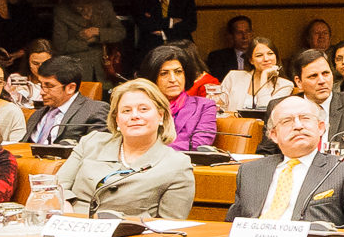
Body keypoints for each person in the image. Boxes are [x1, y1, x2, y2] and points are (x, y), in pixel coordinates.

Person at [229, 96, 344, 230]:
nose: (298, 126)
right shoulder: (250, 171)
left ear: (321, 128)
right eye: (287, 121)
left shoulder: (342, 168)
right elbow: (231, 224)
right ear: (274, 135)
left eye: (305, 118)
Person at [56, 79, 194, 218]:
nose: (134, 116)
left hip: (129, 236)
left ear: (160, 116)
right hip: (70, 228)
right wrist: (68, 214)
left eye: (143, 109)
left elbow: (169, 226)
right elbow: (55, 187)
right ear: (116, 119)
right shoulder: (91, 143)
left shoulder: (177, 165)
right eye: (126, 110)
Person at [272, 47, 344, 157]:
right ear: (299, 82)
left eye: (326, 73)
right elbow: (267, 154)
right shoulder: (280, 108)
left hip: (343, 175)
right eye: (313, 76)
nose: (322, 81)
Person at [142, 45, 218, 151]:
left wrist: (155, 150)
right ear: (152, 78)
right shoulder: (141, 107)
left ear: (185, 75)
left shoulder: (204, 106)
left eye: (178, 72)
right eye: (164, 73)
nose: (173, 79)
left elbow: (199, 145)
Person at [24, 56, 107, 146]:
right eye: (41, 85)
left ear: (70, 88)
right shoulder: (37, 115)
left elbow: (97, 148)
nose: (41, 92)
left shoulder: (95, 110)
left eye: (49, 86)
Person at [51, 0, 125, 66]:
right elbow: (60, 46)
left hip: (105, 66)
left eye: (88, 6)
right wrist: (86, 42)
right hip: (77, 65)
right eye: (80, 7)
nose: (85, 10)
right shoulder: (62, 12)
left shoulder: (105, 7)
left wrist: (97, 32)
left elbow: (121, 33)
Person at [217, 36, 291, 117]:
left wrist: (264, 77)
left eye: (270, 54)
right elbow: (219, 108)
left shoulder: (285, 85)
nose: (266, 59)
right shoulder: (233, 77)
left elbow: (267, 113)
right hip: (232, 126)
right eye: (259, 55)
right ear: (251, 60)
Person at [205, 15, 257, 80]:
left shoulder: (261, 55)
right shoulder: (218, 57)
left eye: (247, 31)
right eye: (239, 33)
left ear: (252, 33)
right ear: (231, 36)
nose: (245, 37)